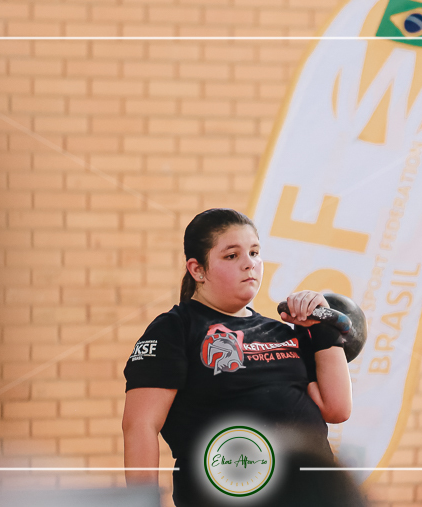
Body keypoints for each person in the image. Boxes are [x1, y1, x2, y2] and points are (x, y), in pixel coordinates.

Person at [122, 208, 354, 506]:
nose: (249, 264)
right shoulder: (175, 329)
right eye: (232, 255)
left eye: (255, 253)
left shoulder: (282, 332)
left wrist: (322, 327)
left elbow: (337, 409)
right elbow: (140, 425)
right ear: (197, 270)